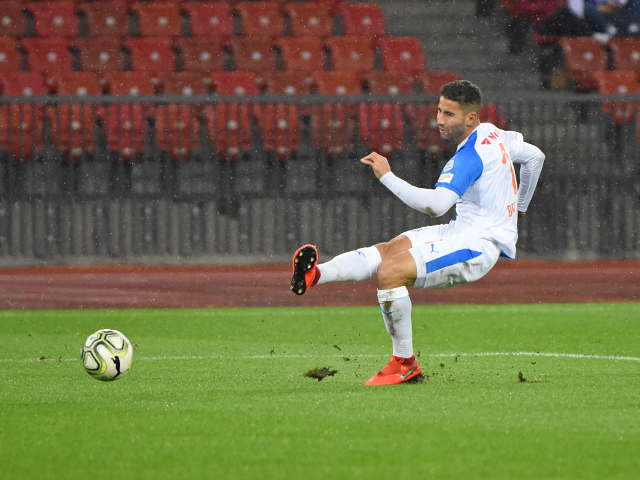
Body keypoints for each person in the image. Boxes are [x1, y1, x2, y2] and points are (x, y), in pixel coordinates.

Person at [290, 80, 545, 386]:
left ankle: (404, 364)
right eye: (439, 110)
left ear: (470, 118)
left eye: (448, 114)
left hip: (478, 245)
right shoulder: (495, 133)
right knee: (389, 250)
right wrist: (520, 209)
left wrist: (387, 177)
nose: (439, 120)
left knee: (391, 272)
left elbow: (435, 205)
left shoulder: (469, 156)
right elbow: (535, 157)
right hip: (461, 230)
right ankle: (315, 275)